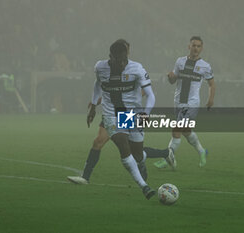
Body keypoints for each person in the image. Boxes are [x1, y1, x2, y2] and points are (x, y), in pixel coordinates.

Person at [67, 40, 175, 188]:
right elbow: (99, 84)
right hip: (111, 113)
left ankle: (164, 153)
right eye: (120, 57)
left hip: (127, 114)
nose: (124, 61)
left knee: (135, 153)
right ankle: (85, 177)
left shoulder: (135, 69)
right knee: (99, 141)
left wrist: (144, 113)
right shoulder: (101, 67)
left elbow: (145, 92)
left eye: (126, 55)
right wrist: (93, 104)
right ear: (111, 56)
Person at [154, 36, 216, 169]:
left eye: (199, 46)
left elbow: (211, 83)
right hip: (178, 101)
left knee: (176, 129)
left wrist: (210, 99)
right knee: (186, 131)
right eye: (194, 45)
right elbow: (173, 80)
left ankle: (168, 158)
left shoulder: (205, 66)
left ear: (202, 48)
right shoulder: (180, 61)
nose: (196, 48)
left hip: (192, 103)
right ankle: (201, 151)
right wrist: (170, 77)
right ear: (189, 46)